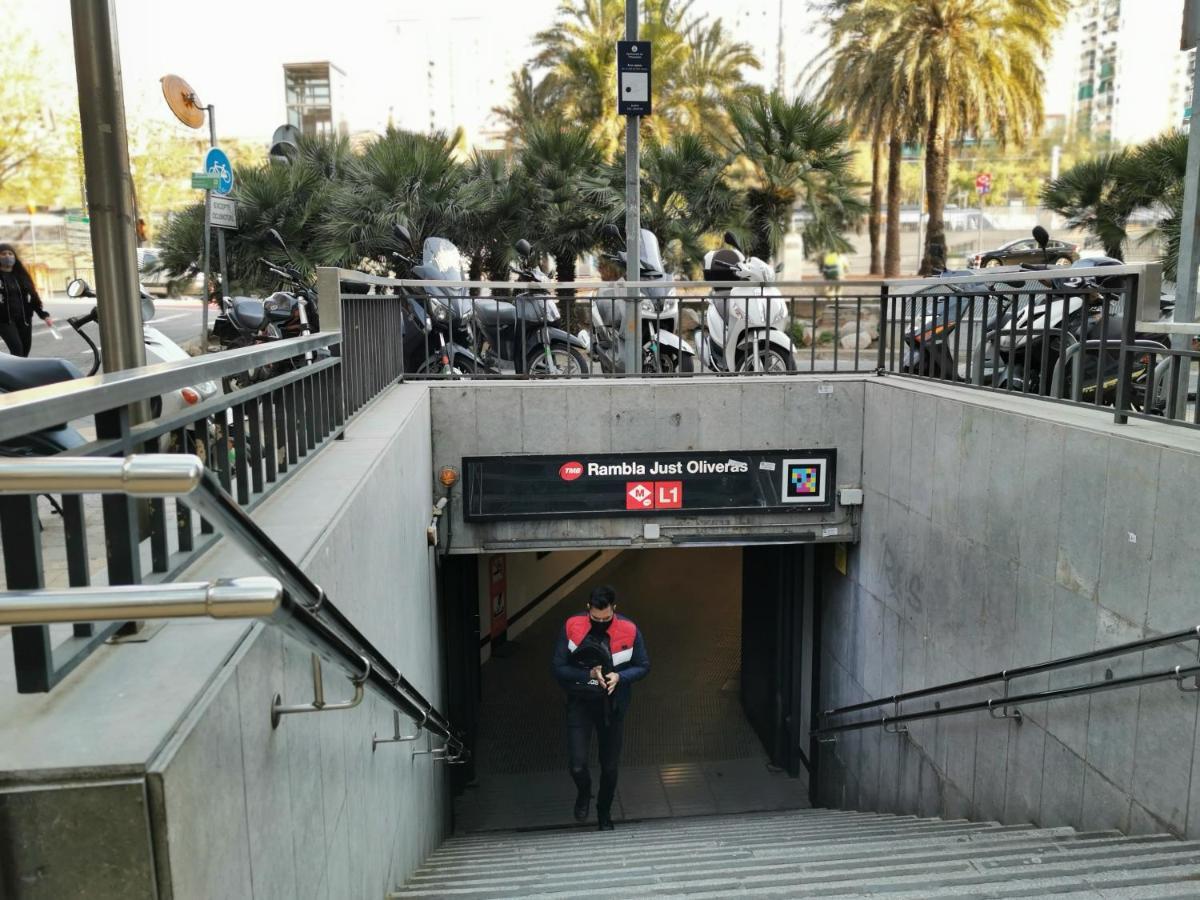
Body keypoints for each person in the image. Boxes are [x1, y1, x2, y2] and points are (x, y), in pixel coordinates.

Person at [551, 584, 650, 831]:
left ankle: (603, 813)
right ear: (588, 609)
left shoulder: (629, 629)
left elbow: (643, 665)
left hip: (613, 705)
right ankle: (584, 793)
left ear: (614, 609)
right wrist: (590, 675)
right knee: (576, 764)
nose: (601, 622)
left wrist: (619, 677)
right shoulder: (572, 626)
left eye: (606, 618)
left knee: (610, 767)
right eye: (596, 618)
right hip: (580, 703)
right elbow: (559, 667)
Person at [0, 243, 52, 356]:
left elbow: (33, 296)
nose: (7, 256)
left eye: (10, 253)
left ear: (15, 257)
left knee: (24, 351)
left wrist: (44, 315)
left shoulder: (21, 275)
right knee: (17, 350)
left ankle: (18, 372)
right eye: (3, 254)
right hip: (4, 321)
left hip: (25, 319)